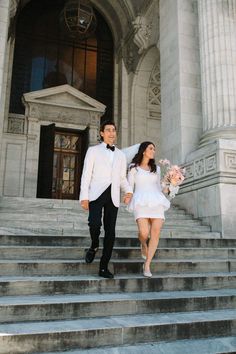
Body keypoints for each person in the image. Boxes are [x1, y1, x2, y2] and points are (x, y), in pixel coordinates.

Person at [79, 120, 133, 279]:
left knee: (111, 232)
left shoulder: (121, 155)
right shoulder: (93, 151)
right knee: (94, 223)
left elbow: (122, 178)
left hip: (113, 196)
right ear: (102, 133)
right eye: (108, 130)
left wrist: (128, 191)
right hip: (96, 193)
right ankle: (94, 244)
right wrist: (84, 196)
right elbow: (86, 174)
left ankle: (103, 267)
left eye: (113, 130)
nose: (111, 133)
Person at [125, 141, 170, 277]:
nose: (153, 151)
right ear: (143, 150)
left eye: (154, 149)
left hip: (156, 201)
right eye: (151, 148)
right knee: (144, 233)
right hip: (140, 201)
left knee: (155, 233)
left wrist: (170, 186)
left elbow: (159, 187)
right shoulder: (133, 167)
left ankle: (147, 265)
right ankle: (143, 244)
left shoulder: (156, 168)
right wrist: (127, 195)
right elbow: (129, 186)